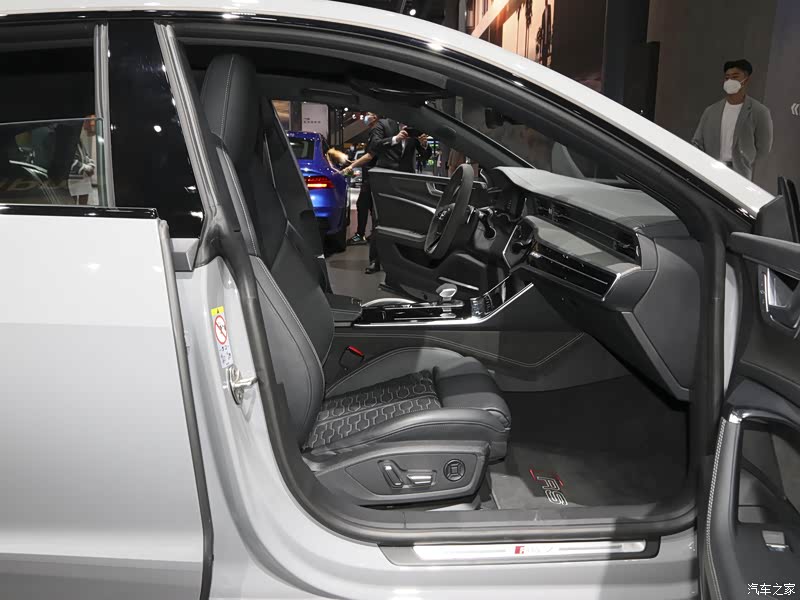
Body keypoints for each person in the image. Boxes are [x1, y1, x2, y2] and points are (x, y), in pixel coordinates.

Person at [692, 59, 773, 180]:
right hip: (710, 171)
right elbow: (697, 141)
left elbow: (763, 148)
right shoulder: (711, 111)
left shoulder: (759, 112)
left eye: (735, 77)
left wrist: (745, 158)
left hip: (740, 173)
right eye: (727, 77)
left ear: (746, 80)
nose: (730, 81)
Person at [341, 112, 380, 247]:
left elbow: (370, 155)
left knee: (363, 205)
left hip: (372, 177)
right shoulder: (373, 132)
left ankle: (361, 235)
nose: (366, 117)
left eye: (369, 114)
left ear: (375, 117)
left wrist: (351, 166)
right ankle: (373, 234)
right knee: (369, 206)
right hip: (370, 176)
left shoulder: (376, 131)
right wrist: (354, 162)